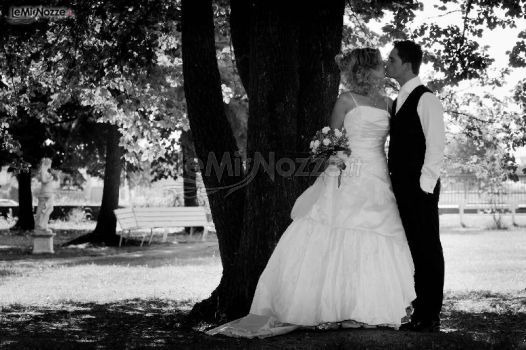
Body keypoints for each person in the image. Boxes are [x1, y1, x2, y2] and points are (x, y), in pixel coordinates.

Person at [205, 48, 416, 339]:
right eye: (379, 65)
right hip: (347, 173)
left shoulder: (389, 104)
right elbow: (333, 138)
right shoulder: (345, 100)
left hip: (378, 176)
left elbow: (402, 142)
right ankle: (329, 307)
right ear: (366, 70)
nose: (384, 68)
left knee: (377, 233)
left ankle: (367, 306)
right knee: (332, 231)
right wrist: (335, 159)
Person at [386, 40, 445, 333]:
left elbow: (436, 147)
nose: (388, 63)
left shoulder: (426, 99)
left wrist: (423, 188)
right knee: (414, 249)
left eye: (392, 59)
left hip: (419, 188)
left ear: (406, 63)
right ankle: (419, 311)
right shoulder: (397, 100)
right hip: (401, 187)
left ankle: (430, 314)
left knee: (427, 249)